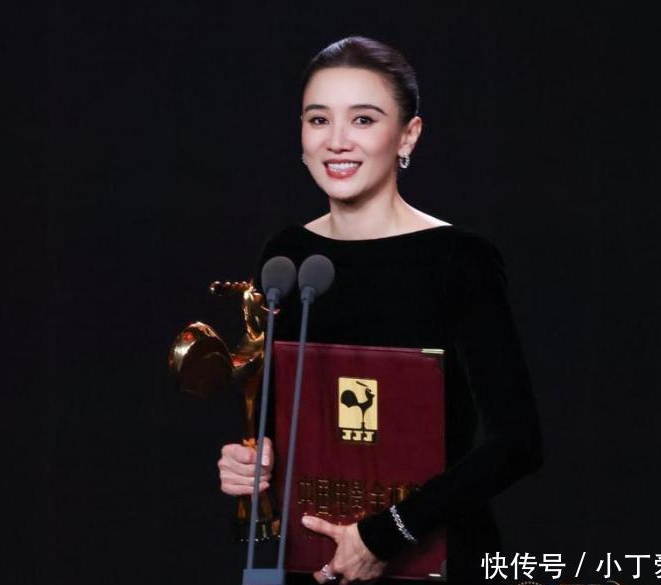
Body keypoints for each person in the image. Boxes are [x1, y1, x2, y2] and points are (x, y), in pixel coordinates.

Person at [217, 36, 543, 584]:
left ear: (408, 135)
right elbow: (281, 420)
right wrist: (254, 464)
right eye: (319, 120)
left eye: (363, 120)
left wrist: (384, 536)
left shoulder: (458, 260)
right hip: (316, 562)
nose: (336, 141)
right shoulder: (286, 256)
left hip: (437, 562)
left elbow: (517, 444)